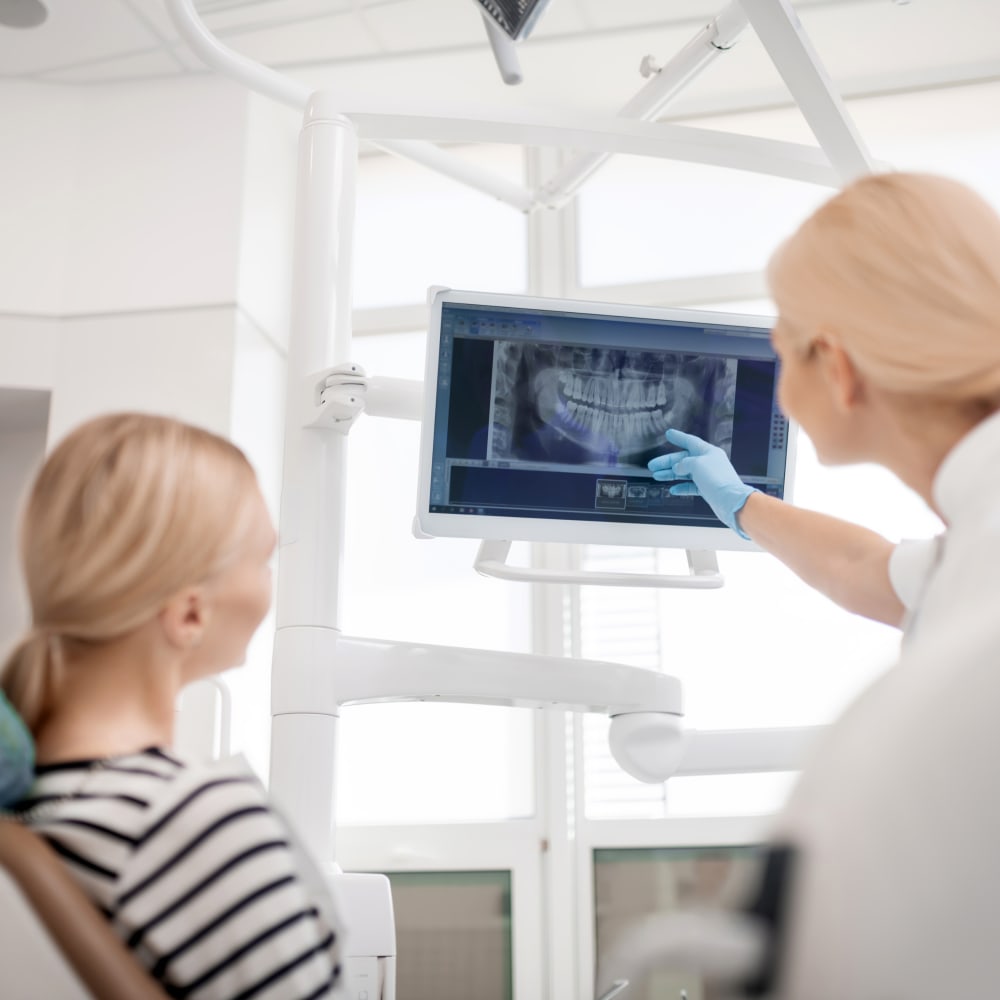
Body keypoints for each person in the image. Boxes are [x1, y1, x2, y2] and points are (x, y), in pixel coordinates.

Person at [645, 171, 1000, 997]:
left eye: (779, 347)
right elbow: (871, 572)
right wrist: (738, 505)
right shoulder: (972, 548)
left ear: (836, 369)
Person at [0, 412, 342, 999]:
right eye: (263, 561)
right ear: (189, 614)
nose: (269, 584)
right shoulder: (191, 820)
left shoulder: (35, 810)